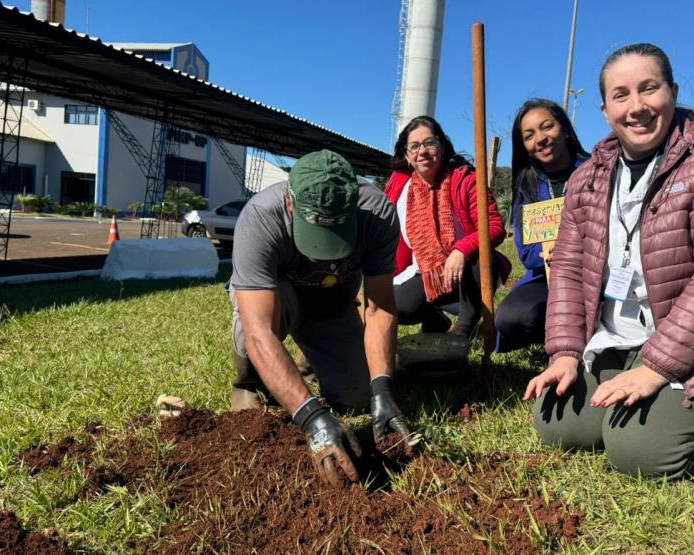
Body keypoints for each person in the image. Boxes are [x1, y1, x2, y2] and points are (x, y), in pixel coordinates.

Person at [523, 43, 694, 480]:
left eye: (649, 89)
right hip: (626, 334)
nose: (636, 107)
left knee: (638, 454)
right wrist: (563, 353)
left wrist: (657, 368)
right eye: (621, 95)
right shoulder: (589, 176)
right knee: (557, 420)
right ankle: (642, 386)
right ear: (604, 110)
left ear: (672, 92)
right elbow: (567, 267)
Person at [228, 149, 414, 486]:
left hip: (332, 305)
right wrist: (312, 417)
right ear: (290, 203)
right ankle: (249, 382)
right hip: (280, 299)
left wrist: (382, 390)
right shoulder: (259, 218)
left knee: (358, 394)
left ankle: (310, 356)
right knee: (251, 330)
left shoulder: (377, 215)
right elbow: (259, 330)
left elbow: (380, 306)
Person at [385, 116, 510, 340]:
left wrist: (461, 249)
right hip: (425, 272)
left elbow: (495, 226)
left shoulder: (465, 180)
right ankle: (434, 317)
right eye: (414, 146)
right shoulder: (401, 188)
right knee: (394, 305)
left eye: (429, 143)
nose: (422, 151)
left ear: (442, 147)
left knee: (482, 259)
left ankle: (463, 329)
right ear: (406, 155)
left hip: (467, 275)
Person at [494, 99, 589, 353]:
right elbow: (525, 252)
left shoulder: (596, 172)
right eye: (529, 135)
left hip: (596, 276)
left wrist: (574, 249)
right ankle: (555, 342)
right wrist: (548, 253)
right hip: (546, 278)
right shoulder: (528, 188)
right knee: (510, 316)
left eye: (547, 127)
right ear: (524, 146)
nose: (541, 138)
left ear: (565, 129)